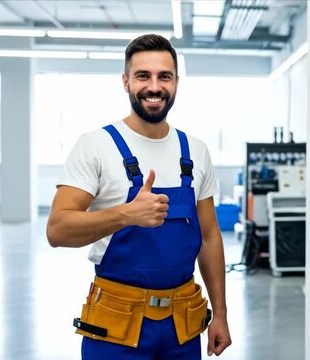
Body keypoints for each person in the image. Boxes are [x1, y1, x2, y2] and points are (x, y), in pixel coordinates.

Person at [46, 34, 231, 359]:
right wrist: (125, 215)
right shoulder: (95, 146)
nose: (154, 87)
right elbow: (57, 230)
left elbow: (210, 236)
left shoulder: (196, 151)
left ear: (176, 82)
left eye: (165, 76)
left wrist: (221, 314)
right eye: (143, 76)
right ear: (125, 81)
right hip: (115, 327)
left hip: (182, 327)